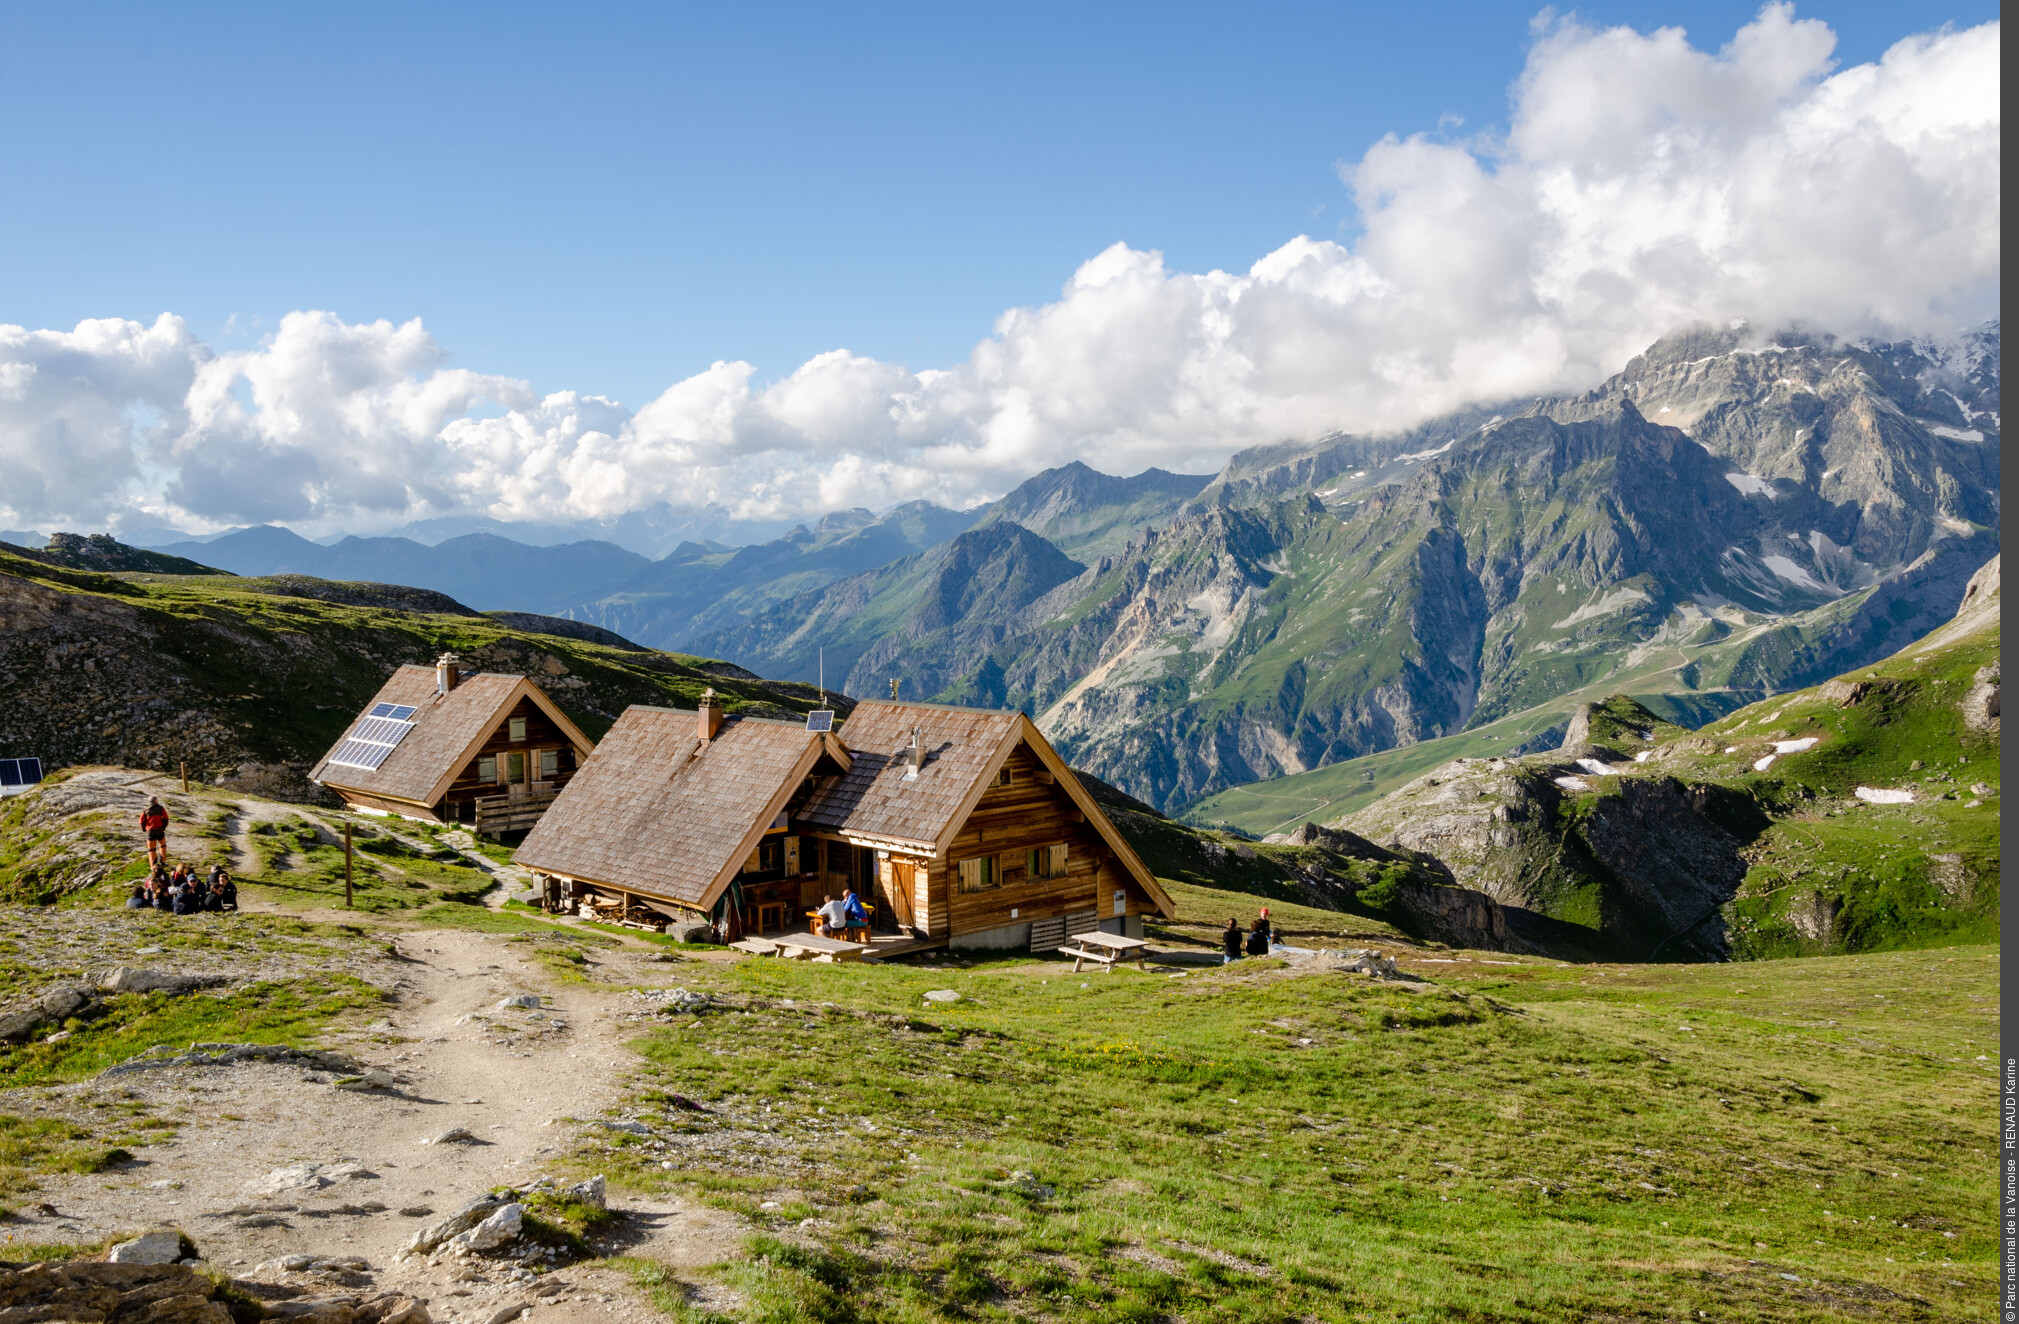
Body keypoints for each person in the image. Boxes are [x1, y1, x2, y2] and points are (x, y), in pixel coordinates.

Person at [139, 798, 169, 867]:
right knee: (162, 846)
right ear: (156, 801)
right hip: (160, 831)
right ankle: (162, 862)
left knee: (151, 849)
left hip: (150, 832)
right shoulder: (161, 808)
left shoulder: (145, 810)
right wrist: (163, 827)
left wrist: (144, 829)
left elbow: (141, 821)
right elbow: (166, 818)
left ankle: (153, 865)